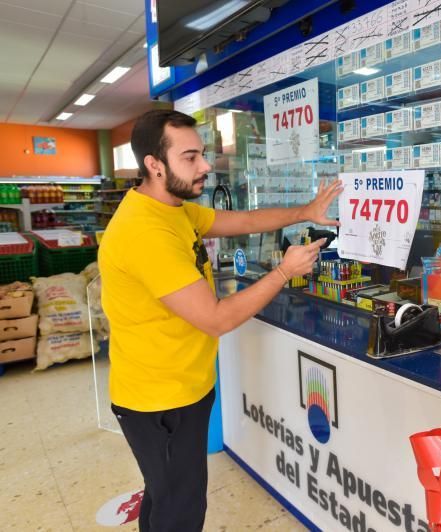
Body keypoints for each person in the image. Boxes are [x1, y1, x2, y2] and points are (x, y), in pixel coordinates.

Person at [98, 109, 342, 531]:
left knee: (164, 497)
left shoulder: (172, 209)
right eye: (190, 157)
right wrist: (284, 272)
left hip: (179, 389)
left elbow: (243, 220)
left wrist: (306, 210)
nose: (206, 166)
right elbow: (214, 319)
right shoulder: (145, 233)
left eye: (203, 154)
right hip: (160, 403)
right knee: (181, 511)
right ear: (154, 165)